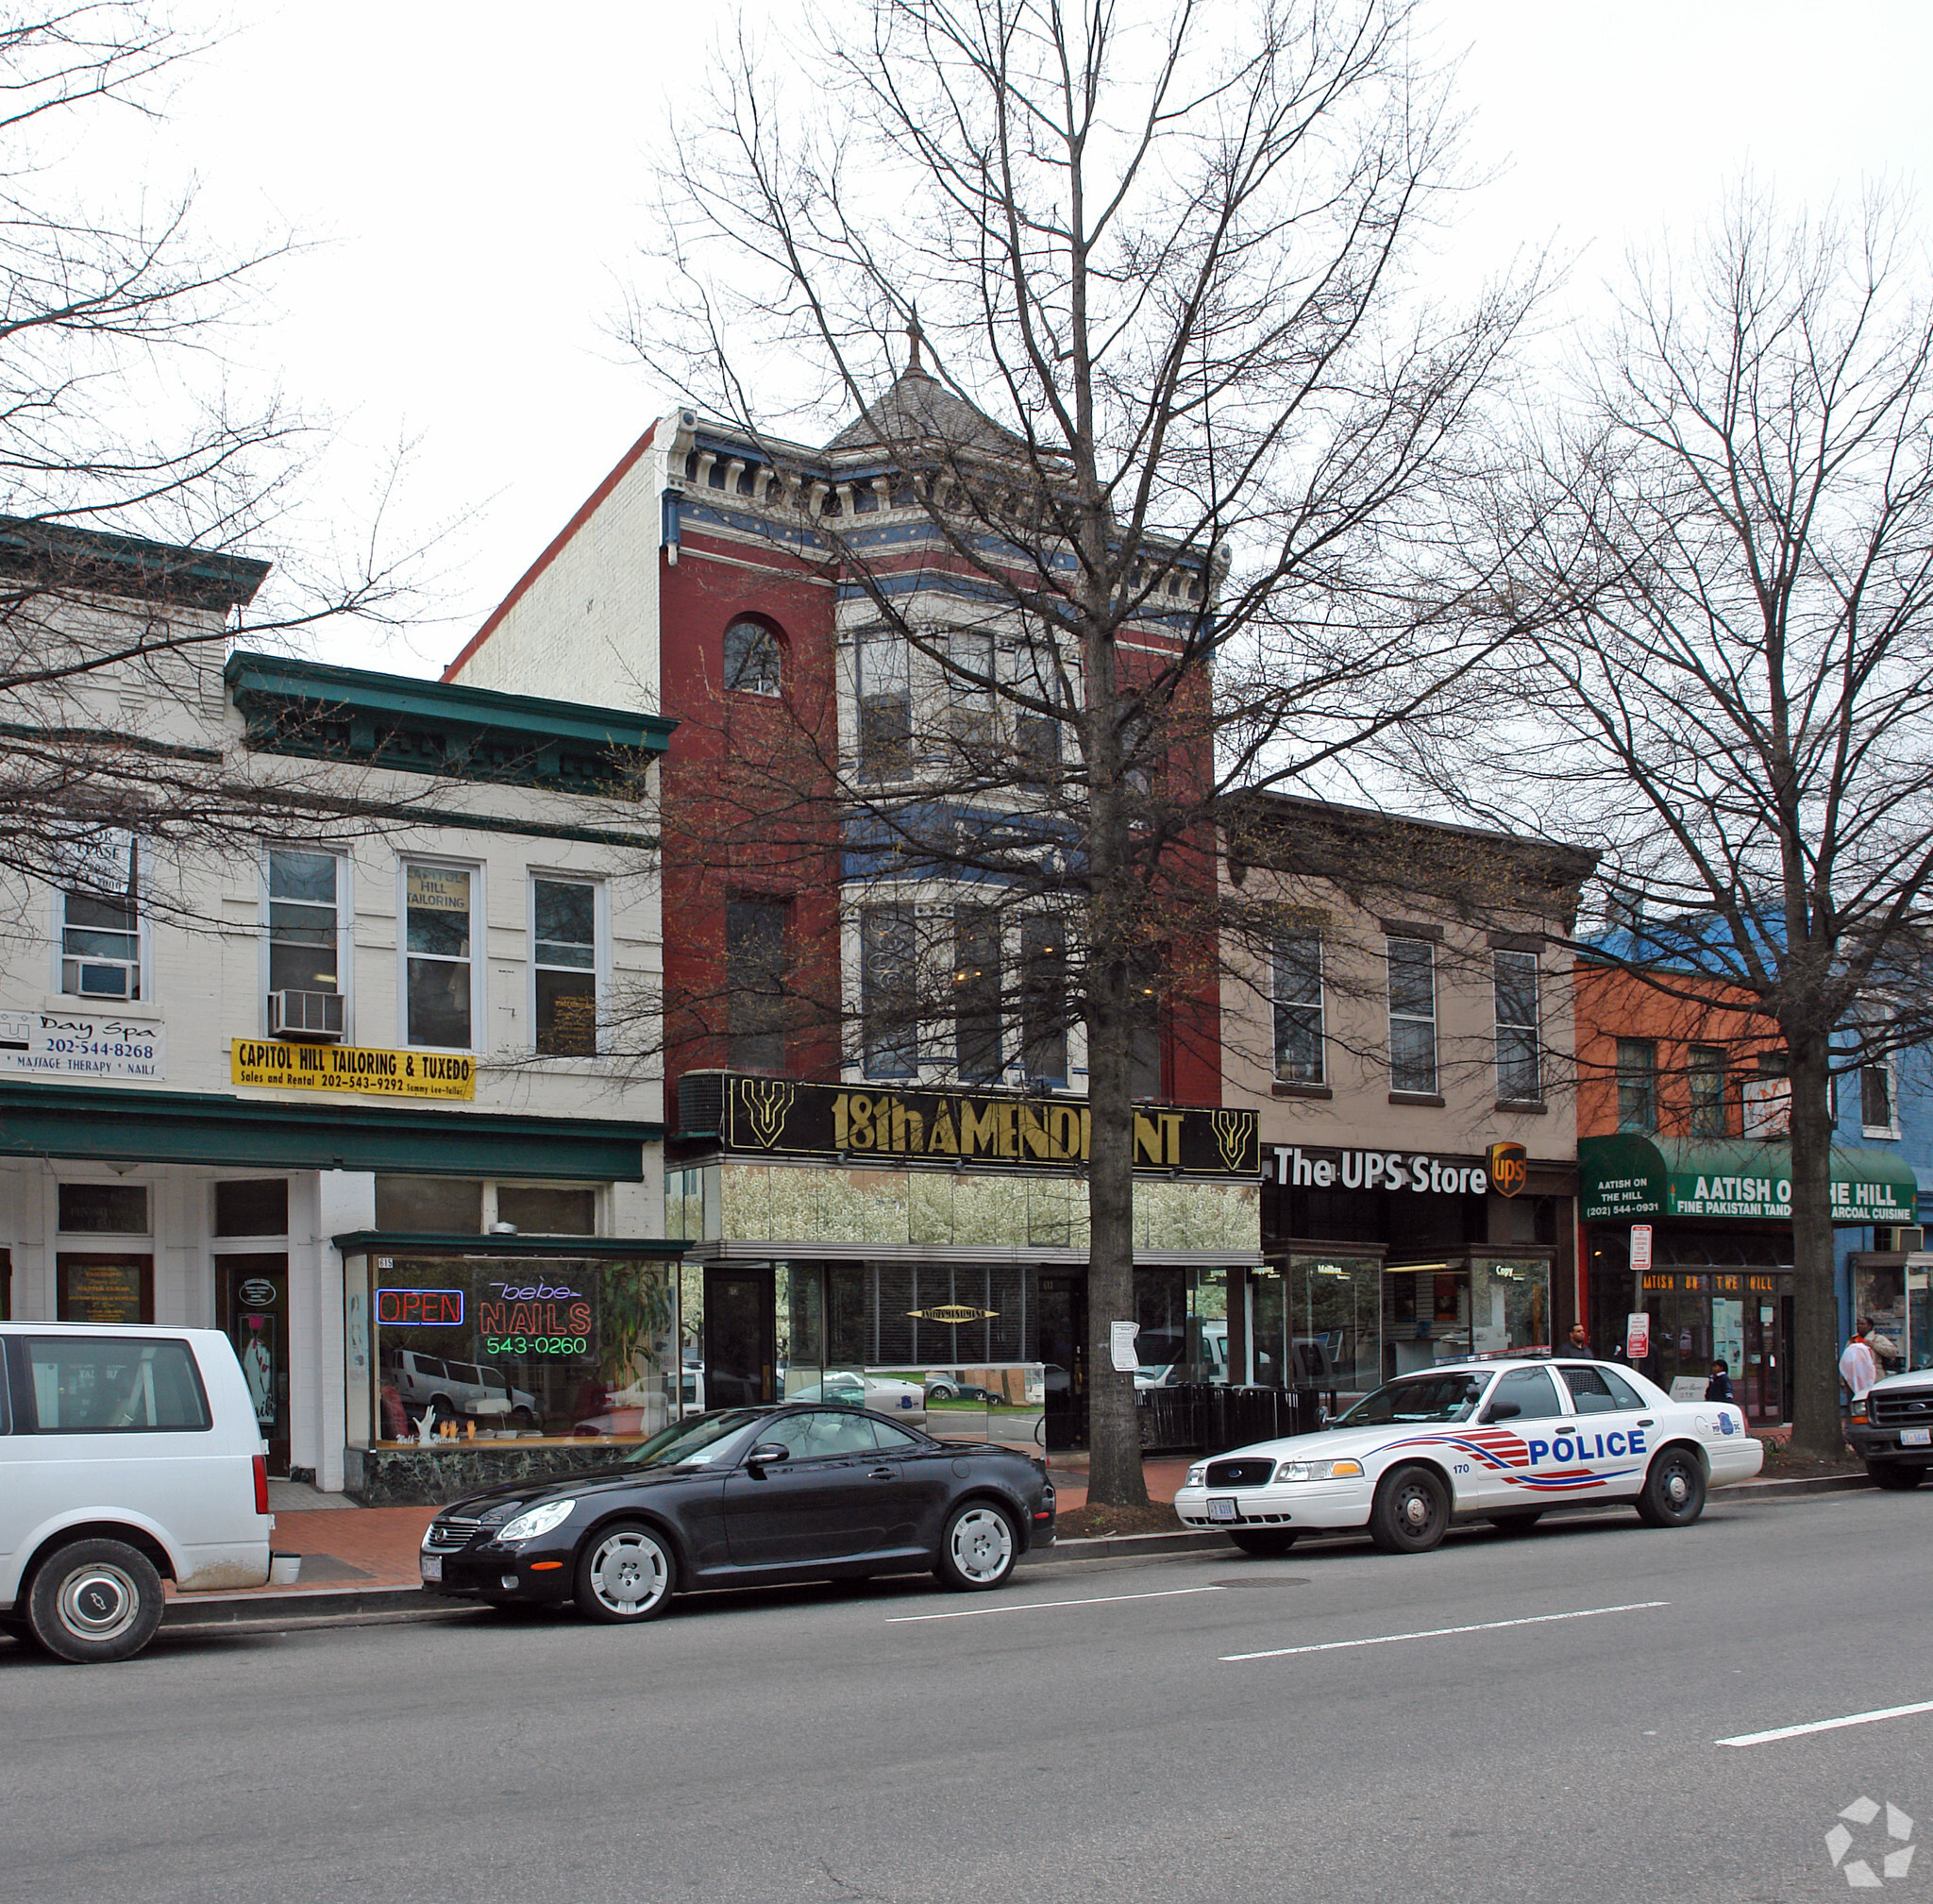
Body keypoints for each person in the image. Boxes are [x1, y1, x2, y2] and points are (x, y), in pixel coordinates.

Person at [1841, 1318, 1882, 1407]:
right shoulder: (1852, 1340)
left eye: (1863, 1324)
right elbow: (1846, 1362)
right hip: (1853, 1378)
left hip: (1874, 1377)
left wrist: (1874, 1346)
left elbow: (1892, 1351)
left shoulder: (1877, 1339)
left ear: (1870, 1326)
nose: (1859, 1326)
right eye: (1858, 1324)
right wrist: (1843, 1381)